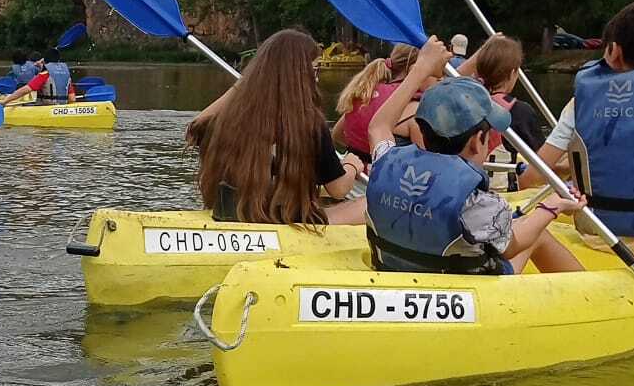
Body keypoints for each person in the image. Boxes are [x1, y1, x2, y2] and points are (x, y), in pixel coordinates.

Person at [366, 40, 583, 274]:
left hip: (395, 271)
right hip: (461, 287)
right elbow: (512, 246)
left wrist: (420, 69)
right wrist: (551, 207)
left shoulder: (386, 161)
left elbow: (378, 126)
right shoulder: (476, 200)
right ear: (477, 140)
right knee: (538, 234)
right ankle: (592, 293)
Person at [183, 28, 367, 225]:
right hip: (284, 221)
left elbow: (194, 129)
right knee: (367, 203)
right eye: (314, 70)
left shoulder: (232, 118)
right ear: (300, 74)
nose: (317, 78)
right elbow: (339, 189)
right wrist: (351, 165)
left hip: (233, 212)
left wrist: (247, 81)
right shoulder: (311, 124)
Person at [518, 0, 634, 242]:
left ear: (614, 51)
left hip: (596, 238)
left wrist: (570, 171)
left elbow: (530, 179)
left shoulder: (580, 102)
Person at [332, 44, 419, 162]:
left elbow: (337, 134)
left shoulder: (365, 92)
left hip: (356, 166)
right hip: (383, 168)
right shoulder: (406, 100)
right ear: (414, 68)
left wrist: (358, 152)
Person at [3, 52, 74, 105]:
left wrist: (5, 101)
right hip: (63, 106)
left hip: (46, 107)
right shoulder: (66, 74)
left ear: (45, 62)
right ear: (58, 61)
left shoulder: (44, 74)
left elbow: (25, 90)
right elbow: (72, 98)